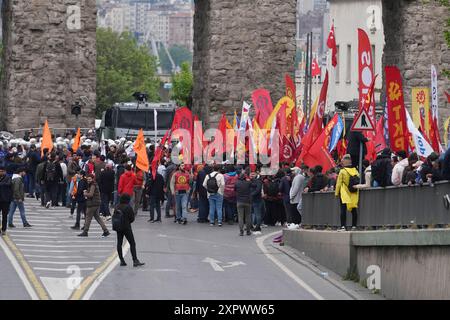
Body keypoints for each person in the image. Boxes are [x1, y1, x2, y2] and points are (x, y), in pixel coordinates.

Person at [113, 194, 145, 267]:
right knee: (132, 243)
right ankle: (135, 260)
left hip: (118, 227)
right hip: (126, 227)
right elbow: (132, 218)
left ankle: (122, 260)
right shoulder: (128, 207)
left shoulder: (117, 206)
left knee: (119, 243)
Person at [335, 154, 359, 231]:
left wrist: (336, 193)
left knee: (343, 209)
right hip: (353, 192)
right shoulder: (355, 170)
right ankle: (354, 226)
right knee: (353, 209)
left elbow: (338, 183)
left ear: (345, 161)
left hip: (344, 193)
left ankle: (343, 226)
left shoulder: (342, 171)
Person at [235, 172, 252, 236]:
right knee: (248, 216)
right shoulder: (248, 183)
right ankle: (248, 231)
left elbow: (235, 190)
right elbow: (253, 185)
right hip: (248, 201)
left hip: (239, 201)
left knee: (240, 217)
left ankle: (241, 231)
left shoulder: (237, 183)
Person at [0, 166, 13, 235]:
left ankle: (4, 229)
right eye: (0, 171)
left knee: (4, 216)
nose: (1, 172)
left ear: (5, 172)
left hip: (5, 200)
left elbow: (9, 185)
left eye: (2, 171)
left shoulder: (8, 178)